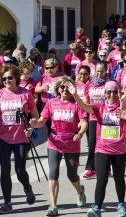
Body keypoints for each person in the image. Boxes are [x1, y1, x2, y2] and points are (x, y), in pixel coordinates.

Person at [29, 76, 88, 216]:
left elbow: (84, 122)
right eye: (62, 87)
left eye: (68, 86)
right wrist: (34, 124)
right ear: (58, 89)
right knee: (53, 173)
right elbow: (42, 121)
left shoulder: (76, 103)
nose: (65, 89)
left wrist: (79, 133)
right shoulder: (51, 102)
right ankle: (53, 205)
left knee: (71, 174)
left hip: (72, 142)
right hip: (54, 142)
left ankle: (80, 191)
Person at [70, 80, 126, 217]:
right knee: (101, 178)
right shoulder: (99, 107)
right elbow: (85, 107)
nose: (112, 94)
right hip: (102, 149)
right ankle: (97, 207)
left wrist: (122, 99)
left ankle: (121, 205)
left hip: (119, 150)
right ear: (104, 93)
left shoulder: (120, 107)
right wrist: (75, 95)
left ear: (118, 92)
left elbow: (124, 110)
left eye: (115, 91)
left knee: (119, 178)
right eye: (109, 92)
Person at [0, 65, 39, 213]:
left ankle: (27, 188)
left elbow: (35, 115)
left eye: (10, 77)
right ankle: (7, 203)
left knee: (20, 170)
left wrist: (31, 127)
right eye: (4, 79)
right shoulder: (0, 94)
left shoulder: (25, 93)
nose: (7, 81)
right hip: (3, 137)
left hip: (21, 137)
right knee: (5, 169)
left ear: (16, 77)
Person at [83, 61, 109, 179]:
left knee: (105, 143)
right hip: (93, 117)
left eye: (101, 71)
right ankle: (91, 168)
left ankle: (106, 168)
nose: (99, 74)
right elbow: (86, 101)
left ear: (106, 71)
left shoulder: (110, 84)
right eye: (97, 71)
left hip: (106, 117)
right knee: (92, 142)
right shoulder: (89, 84)